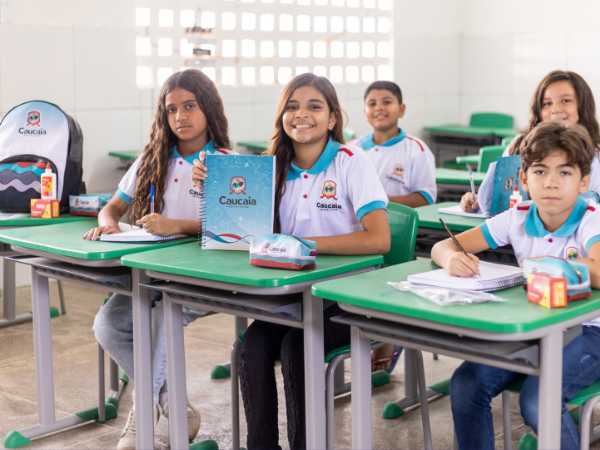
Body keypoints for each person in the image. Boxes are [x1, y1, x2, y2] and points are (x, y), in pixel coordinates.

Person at [195, 72, 390, 450]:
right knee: (251, 346)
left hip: (347, 296)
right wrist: (210, 184)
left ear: (332, 119)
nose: (301, 114)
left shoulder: (351, 161)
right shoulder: (271, 166)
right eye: (292, 106)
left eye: (314, 106)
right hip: (295, 293)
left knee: (296, 349)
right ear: (281, 116)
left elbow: (379, 239)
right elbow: (241, 228)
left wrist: (303, 245)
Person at [90, 69, 237, 450]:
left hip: (206, 275)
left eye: (189, 106)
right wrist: (108, 225)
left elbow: (235, 228)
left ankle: (141, 419)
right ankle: (173, 403)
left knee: (160, 316)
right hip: (154, 274)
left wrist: (176, 226)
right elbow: (111, 208)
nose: (180, 117)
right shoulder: (152, 159)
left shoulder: (226, 162)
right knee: (108, 324)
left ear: (208, 108)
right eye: (171, 109)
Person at [432, 121, 600, 449]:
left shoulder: (591, 217)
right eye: (540, 171)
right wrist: (450, 258)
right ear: (524, 179)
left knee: (537, 401)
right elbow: (445, 245)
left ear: (584, 181)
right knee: (466, 385)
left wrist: (554, 265)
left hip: (589, 332)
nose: (551, 182)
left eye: (565, 172)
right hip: (533, 328)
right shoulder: (517, 216)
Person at [349, 80, 436, 371]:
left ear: (401, 108)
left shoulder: (416, 150)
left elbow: (425, 197)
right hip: (354, 234)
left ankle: (385, 344)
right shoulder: (351, 149)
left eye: (387, 102)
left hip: (397, 236)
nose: (379, 108)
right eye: (372, 103)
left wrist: (376, 203)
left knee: (382, 289)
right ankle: (362, 343)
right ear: (365, 111)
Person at [461, 70, 600, 214]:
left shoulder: (596, 154)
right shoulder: (518, 145)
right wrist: (479, 203)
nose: (555, 109)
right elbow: (503, 197)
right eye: (547, 103)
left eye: (565, 101)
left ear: (583, 105)